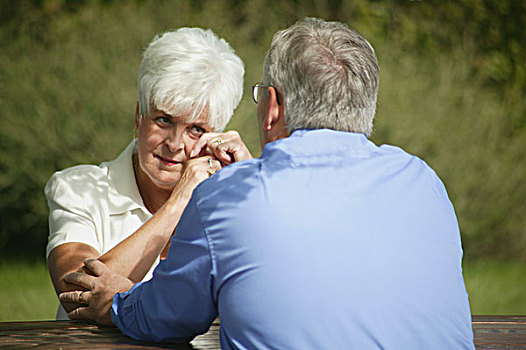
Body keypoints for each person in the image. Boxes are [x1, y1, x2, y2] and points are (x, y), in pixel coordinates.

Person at [60, 18, 475, 349]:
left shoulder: (231, 196)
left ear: (272, 107)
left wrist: (116, 302)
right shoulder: (425, 182)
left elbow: (166, 316)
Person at [45, 27, 250, 320]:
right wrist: (178, 204)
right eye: (164, 120)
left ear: (217, 135)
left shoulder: (231, 200)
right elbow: (75, 296)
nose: (175, 144)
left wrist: (252, 187)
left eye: (196, 129)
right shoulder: (79, 188)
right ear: (139, 116)